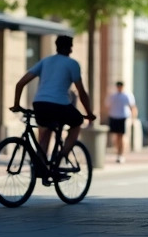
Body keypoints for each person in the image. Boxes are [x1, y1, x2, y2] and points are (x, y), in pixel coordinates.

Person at [10, 34, 95, 183]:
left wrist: (17, 104)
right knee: (77, 122)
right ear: (70, 48)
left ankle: (43, 170)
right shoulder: (72, 64)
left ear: (56, 46)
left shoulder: (45, 61)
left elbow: (20, 83)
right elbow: (81, 92)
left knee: (45, 134)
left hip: (40, 104)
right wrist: (89, 113)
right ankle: (60, 156)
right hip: (60, 104)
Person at [106, 80, 137, 163]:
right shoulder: (113, 96)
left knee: (122, 136)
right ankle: (118, 153)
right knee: (116, 137)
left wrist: (133, 119)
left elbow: (132, 107)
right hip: (114, 117)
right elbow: (107, 106)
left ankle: (121, 154)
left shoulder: (127, 96)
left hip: (123, 118)